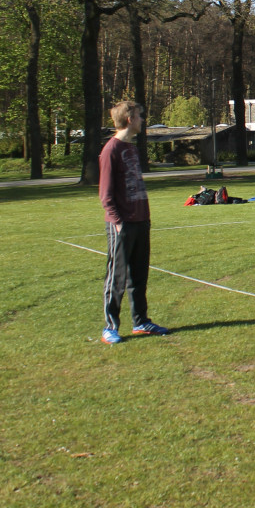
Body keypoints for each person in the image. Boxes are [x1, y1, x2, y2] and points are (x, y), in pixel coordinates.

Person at [99, 100, 168, 344]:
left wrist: (144, 217)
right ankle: (111, 327)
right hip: (122, 224)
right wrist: (118, 222)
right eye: (139, 116)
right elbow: (105, 194)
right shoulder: (111, 150)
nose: (142, 120)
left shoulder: (131, 149)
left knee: (139, 276)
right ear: (129, 119)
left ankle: (141, 322)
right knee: (117, 276)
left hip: (141, 221)